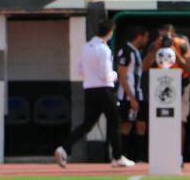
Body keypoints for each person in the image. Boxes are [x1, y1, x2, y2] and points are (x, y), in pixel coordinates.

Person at [55, 18, 134, 168]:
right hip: (104, 89)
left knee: (87, 124)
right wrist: (115, 75)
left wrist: (92, 76)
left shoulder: (87, 47)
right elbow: (105, 74)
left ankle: (63, 147)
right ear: (110, 32)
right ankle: (117, 157)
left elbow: (79, 70)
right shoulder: (104, 49)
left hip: (89, 89)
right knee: (114, 121)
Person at [142, 23, 190, 136]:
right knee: (159, 117)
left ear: (174, 35)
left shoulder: (182, 44)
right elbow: (144, 67)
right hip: (160, 84)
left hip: (182, 84)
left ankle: (178, 153)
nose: (165, 41)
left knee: (180, 120)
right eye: (162, 37)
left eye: (168, 37)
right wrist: (154, 49)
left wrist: (174, 51)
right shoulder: (155, 45)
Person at [116, 25, 149, 162]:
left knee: (141, 125)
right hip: (127, 96)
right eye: (146, 37)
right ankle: (123, 155)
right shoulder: (126, 51)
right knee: (127, 125)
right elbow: (122, 75)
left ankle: (139, 157)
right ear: (139, 36)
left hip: (139, 94)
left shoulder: (137, 52)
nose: (147, 40)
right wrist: (131, 97)